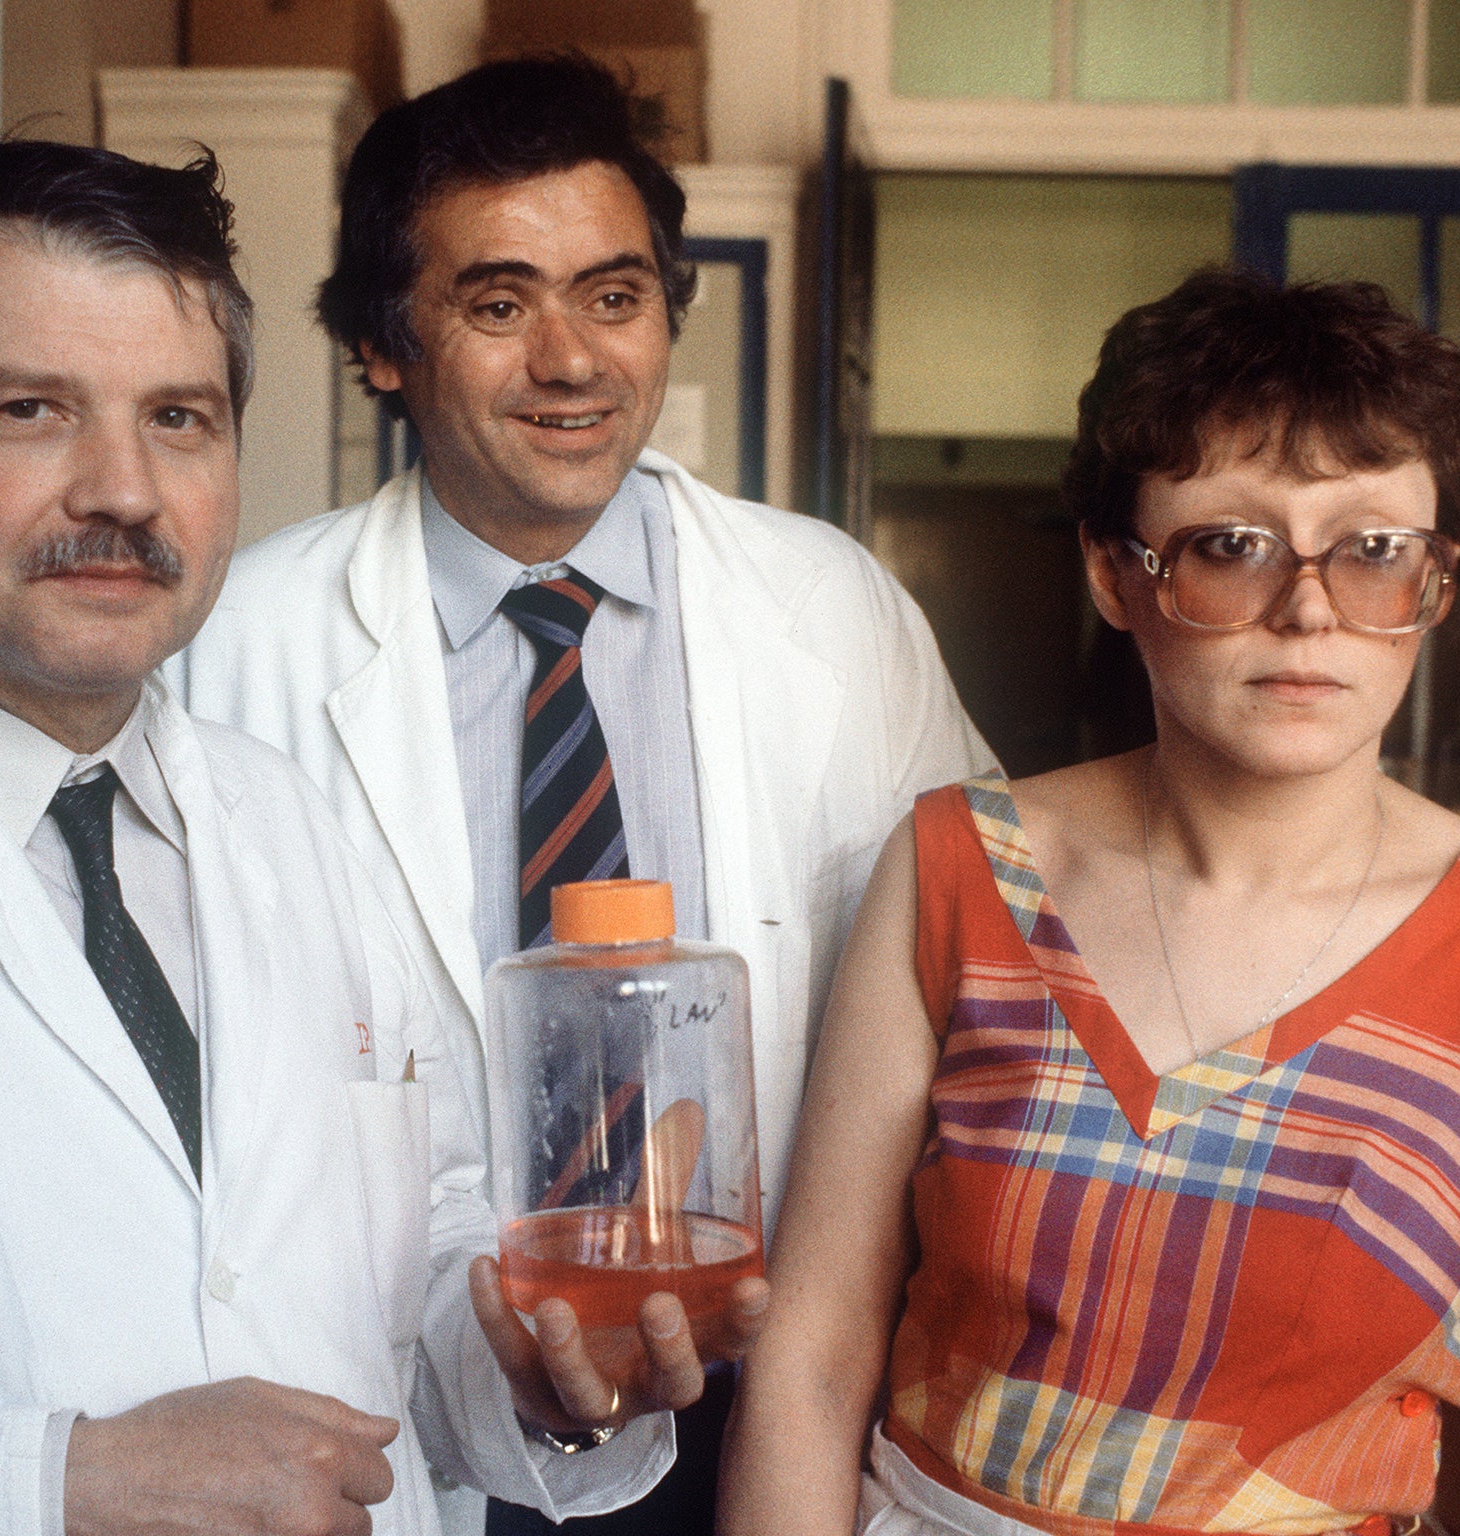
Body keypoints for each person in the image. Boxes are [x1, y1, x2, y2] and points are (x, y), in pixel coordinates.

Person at [0, 139, 744, 1536]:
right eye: (30, 411)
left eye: (179, 419)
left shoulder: (299, 825)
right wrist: (53, 1481)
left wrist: (545, 1373)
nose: (124, 492)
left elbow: (410, 1270)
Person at [172, 54, 995, 1536]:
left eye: (614, 296)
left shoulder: (829, 610)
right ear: (381, 345)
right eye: (498, 305)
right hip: (402, 1410)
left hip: (771, 1398)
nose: (572, 360)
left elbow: (983, 971)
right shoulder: (234, 650)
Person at [721, 268, 1460, 1536]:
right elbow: (810, 1369)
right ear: (1114, 574)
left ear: (1435, 582)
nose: (1307, 610)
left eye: (1371, 550)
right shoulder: (955, 868)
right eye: (1229, 546)